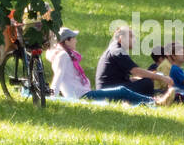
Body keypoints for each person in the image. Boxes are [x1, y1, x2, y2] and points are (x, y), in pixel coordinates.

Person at [46, 27, 176, 106]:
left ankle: (154, 99)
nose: (76, 40)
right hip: (83, 96)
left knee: (136, 86)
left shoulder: (67, 56)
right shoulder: (63, 56)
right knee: (124, 90)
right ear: (67, 41)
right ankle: (155, 102)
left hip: (85, 93)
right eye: (74, 38)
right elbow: (58, 77)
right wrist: (52, 99)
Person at [95, 25, 176, 98]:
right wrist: (162, 77)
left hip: (111, 88)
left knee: (147, 80)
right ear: (120, 38)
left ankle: (161, 96)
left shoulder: (116, 49)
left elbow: (124, 78)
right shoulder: (117, 51)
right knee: (147, 83)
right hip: (109, 92)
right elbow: (136, 71)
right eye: (130, 36)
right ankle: (158, 99)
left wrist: (149, 76)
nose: (134, 40)